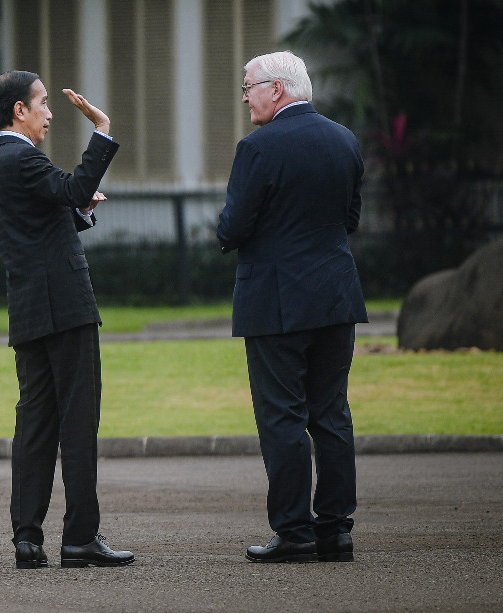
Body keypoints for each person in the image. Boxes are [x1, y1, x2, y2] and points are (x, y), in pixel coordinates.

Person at [216, 51, 368, 563]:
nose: (244, 97)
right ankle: (337, 529)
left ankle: (294, 532)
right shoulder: (345, 140)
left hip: (275, 299)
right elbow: (349, 218)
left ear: (276, 89)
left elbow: (233, 228)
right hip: (335, 293)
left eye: (248, 87)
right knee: (331, 412)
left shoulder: (258, 148)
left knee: (281, 415)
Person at [0, 70, 134, 569]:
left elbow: (45, 215)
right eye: (42, 103)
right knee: (78, 420)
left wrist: (79, 206)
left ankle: (27, 538)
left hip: (28, 309)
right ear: (17, 111)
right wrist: (103, 127)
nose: (49, 113)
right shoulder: (22, 156)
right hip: (65, 306)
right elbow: (74, 186)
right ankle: (80, 539)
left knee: (35, 424)